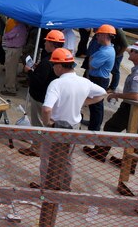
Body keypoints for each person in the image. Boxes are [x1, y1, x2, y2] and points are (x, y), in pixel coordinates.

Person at [31, 48, 106, 190]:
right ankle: (65, 187)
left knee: (47, 158)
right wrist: (84, 102)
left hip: (56, 127)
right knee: (67, 159)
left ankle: (46, 187)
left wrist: (47, 123)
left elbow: (47, 108)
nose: (53, 67)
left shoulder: (56, 84)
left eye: (54, 64)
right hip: (74, 126)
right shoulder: (84, 82)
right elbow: (102, 93)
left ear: (59, 66)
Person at [83, 40, 138, 163]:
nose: (129, 52)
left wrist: (116, 94)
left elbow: (136, 96)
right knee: (134, 135)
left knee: (111, 127)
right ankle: (130, 164)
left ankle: (100, 153)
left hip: (133, 106)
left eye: (132, 51)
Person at [18, 29, 65, 157]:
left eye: (47, 42)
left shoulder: (48, 61)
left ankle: (36, 148)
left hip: (40, 97)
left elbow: (38, 81)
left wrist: (29, 71)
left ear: (52, 43)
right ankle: (40, 145)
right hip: (48, 97)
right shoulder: (60, 57)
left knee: (38, 125)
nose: (44, 44)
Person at [86, 24, 115, 131]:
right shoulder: (105, 48)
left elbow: (91, 65)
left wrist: (91, 58)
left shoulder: (105, 52)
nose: (96, 36)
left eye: (98, 35)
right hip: (99, 79)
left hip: (99, 80)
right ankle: (94, 125)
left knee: (96, 105)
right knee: (96, 105)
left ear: (104, 35)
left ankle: (94, 128)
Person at [1, 18, 28, 96]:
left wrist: (5, 34)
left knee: (10, 69)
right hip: (16, 49)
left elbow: (8, 35)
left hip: (13, 49)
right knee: (13, 68)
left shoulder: (19, 26)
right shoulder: (22, 26)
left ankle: (10, 88)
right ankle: (13, 84)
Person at [108, 28, 129, 92]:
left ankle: (113, 87)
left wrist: (119, 55)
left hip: (117, 54)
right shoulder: (111, 28)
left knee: (115, 71)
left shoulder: (119, 31)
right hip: (111, 52)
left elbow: (125, 45)